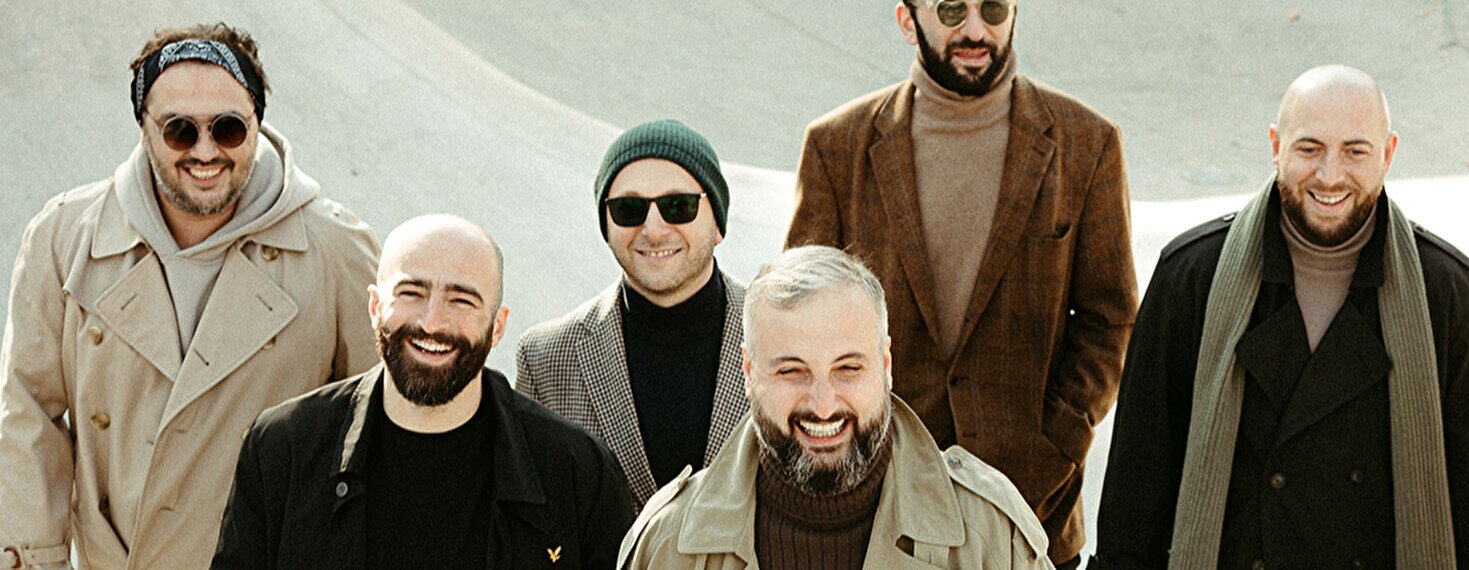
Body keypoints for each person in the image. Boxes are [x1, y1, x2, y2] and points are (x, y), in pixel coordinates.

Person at [0, 23, 380, 569]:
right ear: (144, 130)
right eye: (179, 130)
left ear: (256, 125)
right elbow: (27, 415)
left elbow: (379, 428)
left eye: (228, 129)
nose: (206, 151)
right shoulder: (66, 237)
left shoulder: (335, 249)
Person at [1095, 65, 1469, 569]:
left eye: (1355, 152)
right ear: (1275, 146)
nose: (1330, 175)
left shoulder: (1449, 295)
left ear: (1388, 155)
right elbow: (1138, 486)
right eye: (1309, 149)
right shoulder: (1193, 278)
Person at [784, 1, 1137, 565]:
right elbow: (801, 322)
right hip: (876, 514)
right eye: (951, 10)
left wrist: (1056, 445)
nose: (976, 29)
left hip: (1034, 514)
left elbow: (1111, 320)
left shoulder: (1088, 144)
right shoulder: (837, 147)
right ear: (908, 21)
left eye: (992, 9)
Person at [213, 214, 634, 569]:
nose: (432, 323)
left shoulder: (576, 472)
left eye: (462, 300)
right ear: (375, 307)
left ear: (498, 326)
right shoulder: (283, 448)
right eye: (411, 293)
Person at [619, 245, 1053, 569]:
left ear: (886, 365)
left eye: (847, 369)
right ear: (748, 373)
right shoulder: (667, 546)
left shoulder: (987, 535)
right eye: (792, 371)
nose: (823, 406)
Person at [516, 119, 749, 509]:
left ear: (718, 225)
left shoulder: (785, 338)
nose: (653, 230)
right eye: (629, 209)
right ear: (607, 227)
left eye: (679, 206)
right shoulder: (546, 359)